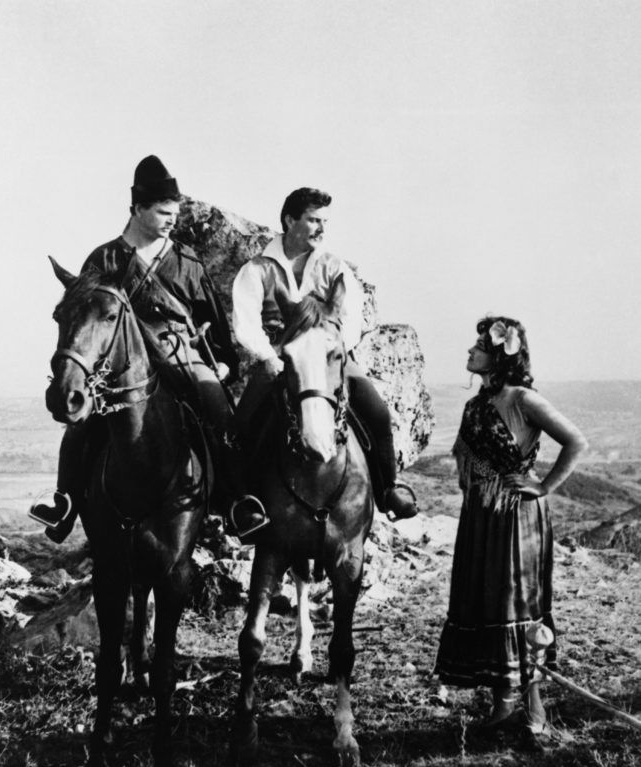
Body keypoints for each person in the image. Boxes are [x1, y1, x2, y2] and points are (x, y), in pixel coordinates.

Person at [30, 155, 268, 542]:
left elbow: (213, 318)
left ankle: (238, 501)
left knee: (218, 409)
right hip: (118, 361)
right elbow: (87, 317)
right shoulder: (104, 258)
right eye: (162, 212)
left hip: (179, 352)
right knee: (80, 423)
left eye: (174, 212)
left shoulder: (185, 261)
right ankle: (66, 502)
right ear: (138, 209)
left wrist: (222, 362)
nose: (172, 220)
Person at [434, 315, 588, 742]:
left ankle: (534, 705)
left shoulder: (524, 400)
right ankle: (503, 703)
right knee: (488, 603)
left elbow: (576, 441)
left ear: (501, 355)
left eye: (478, 346)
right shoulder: (475, 405)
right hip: (482, 517)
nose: (470, 352)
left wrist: (542, 487)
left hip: (517, 516)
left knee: (519, 604)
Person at [231, 187, 418, 519]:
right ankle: (244, 501)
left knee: (377, 412)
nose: (321, 228)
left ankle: (388, 489)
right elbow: (246, 323)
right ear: (290, 220)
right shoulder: (257, 268)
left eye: (324, 222)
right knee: (245, 421)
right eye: (313, 220)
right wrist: (269, 357)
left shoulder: (334, 266)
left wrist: (333, 349)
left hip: (330, 357)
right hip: (280, 358)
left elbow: (353, 318)